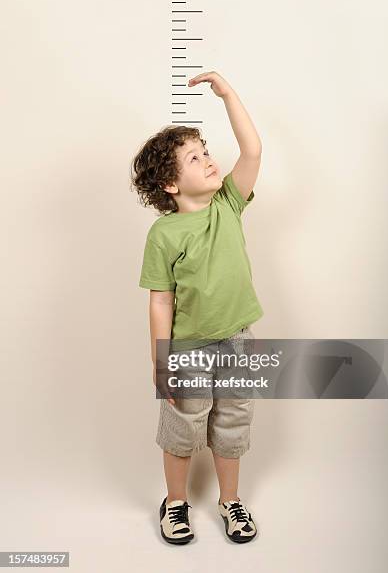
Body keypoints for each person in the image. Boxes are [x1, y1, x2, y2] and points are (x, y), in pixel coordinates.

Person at [131, 71, 264, 544]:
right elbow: (161, 301)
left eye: (206, 151)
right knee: (182, 428)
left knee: (232, 421)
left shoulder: (229, 202)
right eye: (195, 157)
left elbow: (251, 151)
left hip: (237, 340)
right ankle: (176, 503)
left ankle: (231, 501)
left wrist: (229, 93)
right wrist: (160, 359)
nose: (209, 160)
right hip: (187, 347)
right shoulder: (163, 235)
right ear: (170, 183)